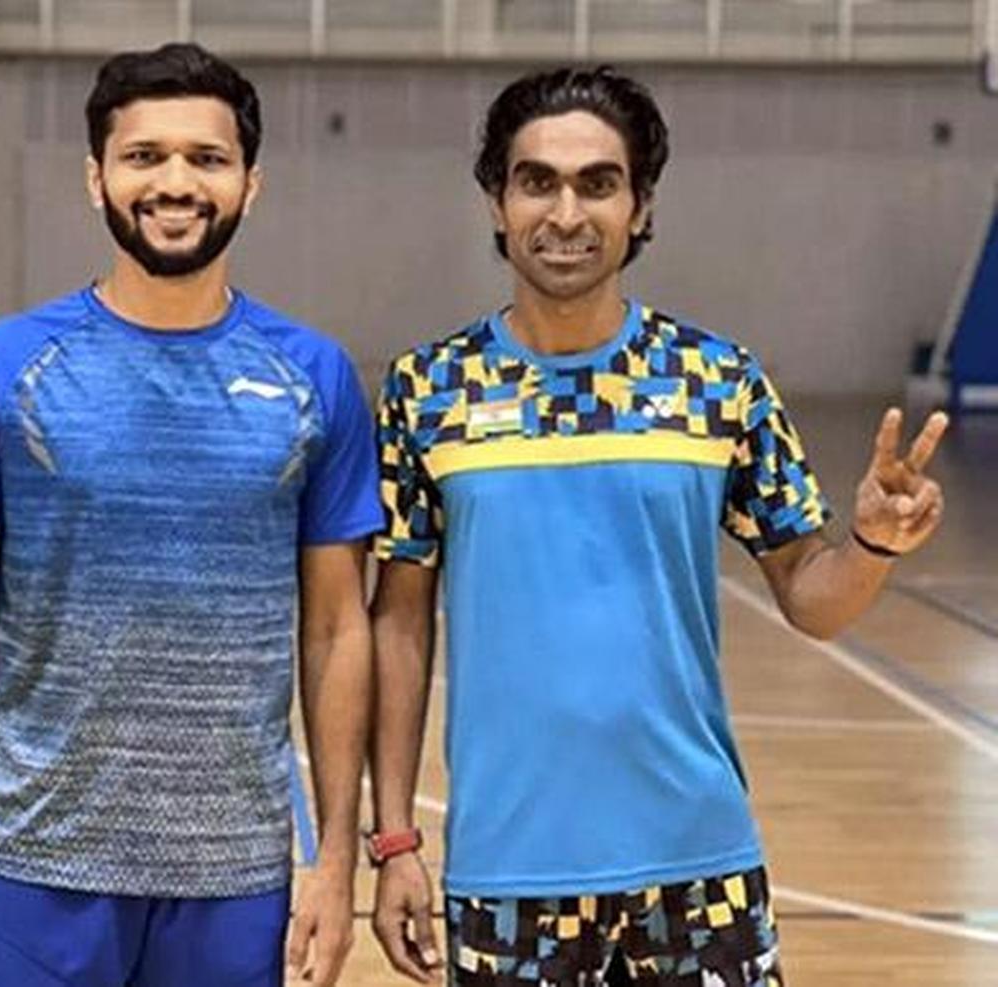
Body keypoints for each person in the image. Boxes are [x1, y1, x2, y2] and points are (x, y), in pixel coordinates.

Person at [367, 66, 947, 986]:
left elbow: (811, 595)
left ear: (640, 207)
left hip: (701, 869)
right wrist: (395, 836)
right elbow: (396, 624)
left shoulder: (717, 380)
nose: (566, 211)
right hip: (509, 874)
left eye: (599, 182)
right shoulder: (427, 391)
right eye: (537, 181)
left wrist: (872, 542)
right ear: (496, 200)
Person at [0, 42, 380, 987]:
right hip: (28, 858)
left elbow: (340, 629)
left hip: (235, 875)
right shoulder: (6, 363)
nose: (175, 182)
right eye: (144, 156)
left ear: (250, 184)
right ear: (95, 178)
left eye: (206, 158)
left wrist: (336, 858)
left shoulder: (313, 377)